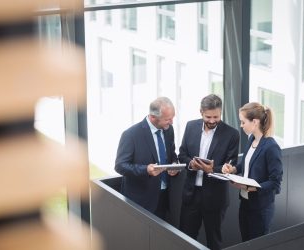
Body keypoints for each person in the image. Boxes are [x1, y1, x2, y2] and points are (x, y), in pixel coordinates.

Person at [178, 94, 240, 250]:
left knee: (214, 241)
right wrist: (191, 164)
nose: (212, 121)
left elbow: (231, 165)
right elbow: (182, 154)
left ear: (221, 113)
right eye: (208, 117)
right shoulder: (190, 126)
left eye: (216, 117)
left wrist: (212, 169)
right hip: (191, 195)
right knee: (185, 239)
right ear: (201, 112)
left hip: (215, 198)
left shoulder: (232, 134)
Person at [222, 102, 283, 242]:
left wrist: (251, 187)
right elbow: (247, 165)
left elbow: (275, 183)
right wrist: (234, 169)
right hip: (245, 203)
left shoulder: (271, 147)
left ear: (254, 122)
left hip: (261, 209)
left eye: (243, 122)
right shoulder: (251, 140)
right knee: (245, 243)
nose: (241, 125)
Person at [114, 97, 178, 221]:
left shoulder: (169, 130)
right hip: (141, 201)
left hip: (164, 197)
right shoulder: (131, 135)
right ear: (153, 117)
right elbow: (120, 165)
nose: (171, 123)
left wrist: (174, 164)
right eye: (167, 119)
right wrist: (145, 170)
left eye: (172, 118)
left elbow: (171, 154)